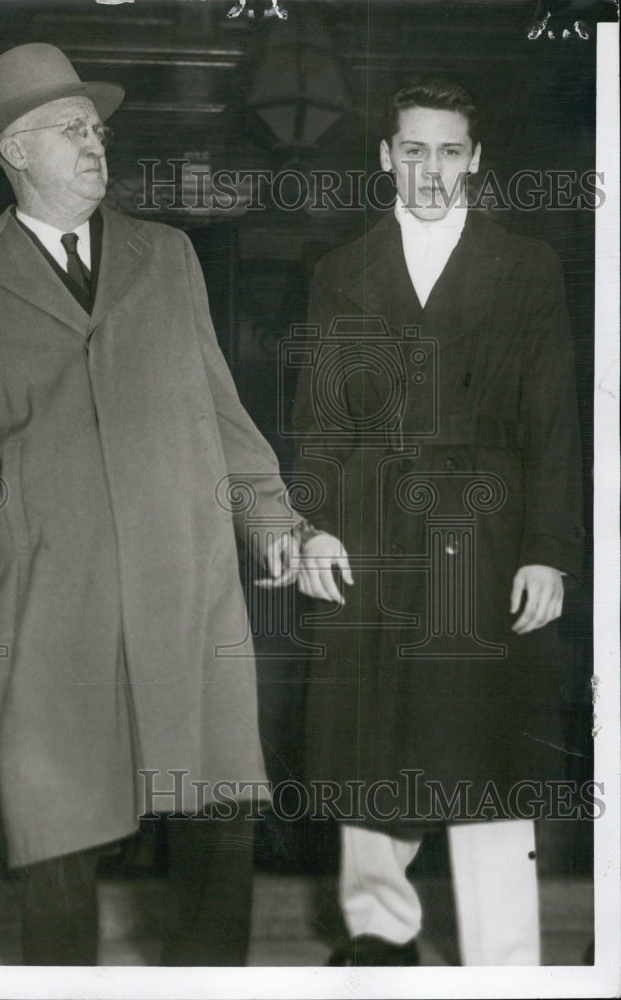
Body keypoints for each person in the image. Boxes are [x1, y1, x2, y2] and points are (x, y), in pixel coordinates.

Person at [0, 42, 301, 966]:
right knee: (58, 823)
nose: (95, 143)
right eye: (71, 129)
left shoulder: (169, 255)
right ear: (15, 152)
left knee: (215, 807)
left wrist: (273, 521)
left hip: (183, 575)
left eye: (98, 128)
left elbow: (222, 410)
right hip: (52, 590)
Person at [292, 77, 584, 966]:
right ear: (384, 157)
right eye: (412, 150)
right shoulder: (341, 269)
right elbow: (320, 423)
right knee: (368, 740)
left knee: (487, 747)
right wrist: (310, 527)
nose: (430, 169)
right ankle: (379, 938)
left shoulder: (526, 266)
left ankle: (503, 962)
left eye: (449, 151)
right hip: (372, 533)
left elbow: (553, 424)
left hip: (487, 537)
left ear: (476, 159)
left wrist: (547, 552)